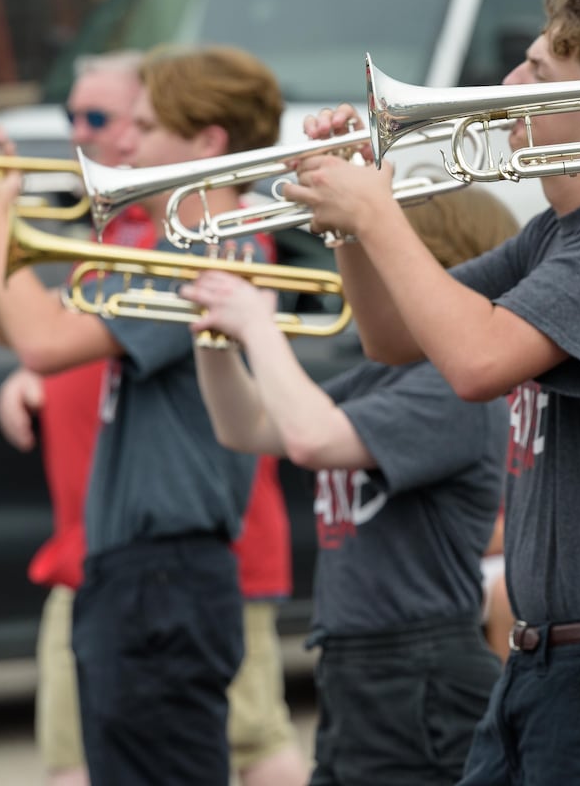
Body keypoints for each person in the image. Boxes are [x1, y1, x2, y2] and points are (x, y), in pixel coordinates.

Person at [281, 0, 580, 784]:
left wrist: (379, 214)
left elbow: (477, 362)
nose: (506, 87)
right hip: (551, 665)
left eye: (536, 71)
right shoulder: (553, 235)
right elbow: (393, 339)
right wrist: (351, 226)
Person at [0, 45, 287, 786]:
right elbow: (17, 326)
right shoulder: (170, 244)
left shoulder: (209, 252)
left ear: (208, 143)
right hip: (138, 570)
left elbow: (42, 339)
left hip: (166, 573)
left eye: (147, 126)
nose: (127, 143)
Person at [181, 186, 520, 785]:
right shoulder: (381, 378)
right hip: (353, 662)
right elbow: (247, 427)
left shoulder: (454, 391)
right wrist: (212, 333)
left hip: (419, 666)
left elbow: (311, 438)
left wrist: (260, 328)